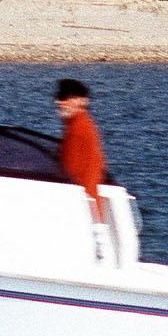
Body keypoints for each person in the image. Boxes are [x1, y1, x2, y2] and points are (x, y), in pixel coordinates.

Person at [54, 78, 108, 226]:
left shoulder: (79, 130)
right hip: (90, 212)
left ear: (81, 101)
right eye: (58, 97)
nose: (58, 102)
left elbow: (69, 174)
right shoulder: (84, 126)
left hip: (80, 213)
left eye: (64, 97)